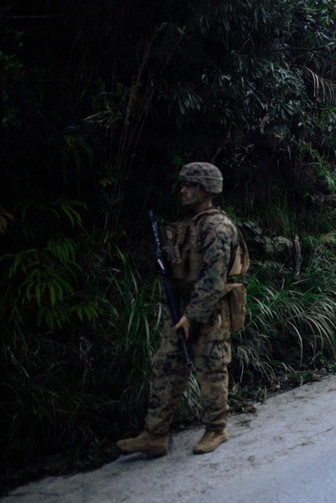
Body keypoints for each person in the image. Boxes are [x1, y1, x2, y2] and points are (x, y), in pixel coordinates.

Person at [117, 162, 241, 456]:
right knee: (165, 366)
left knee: (211, 369)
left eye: (190, 185)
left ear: (206, 189)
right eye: (183, 184)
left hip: (209, 309)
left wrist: (191, 316)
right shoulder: (188, 223)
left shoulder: (217, 226)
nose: (183, 190)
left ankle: (216, 428)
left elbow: (214, 278)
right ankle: (155, 434)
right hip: (182, 308)